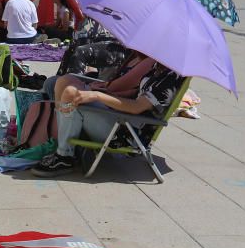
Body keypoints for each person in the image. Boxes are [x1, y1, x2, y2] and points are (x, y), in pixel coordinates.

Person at [32, 59, 184, 177]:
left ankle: (64, 156)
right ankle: (65, 147)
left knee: (70, 95)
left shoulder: (171, 78)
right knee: (68, 87)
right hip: (121, 120)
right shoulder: (161, 67)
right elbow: (136, 93)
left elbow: (137, 106)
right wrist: (107, 94)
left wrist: (97, 96)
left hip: (126, 133)